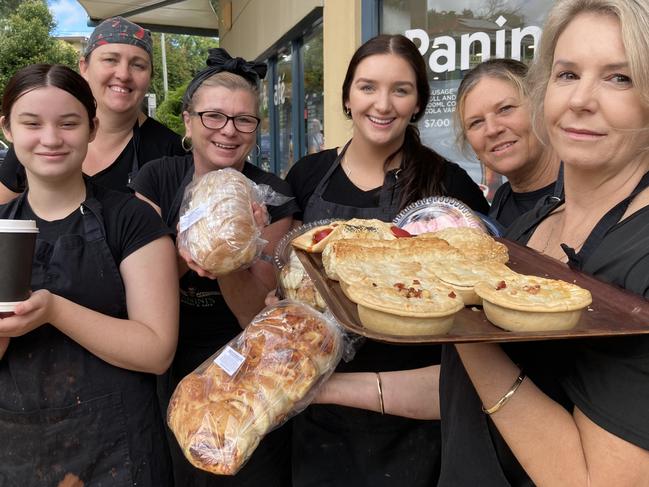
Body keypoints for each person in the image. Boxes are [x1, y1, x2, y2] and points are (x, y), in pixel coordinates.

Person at [284, 34, 488, 487]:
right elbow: (286, 275)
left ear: (418, 103)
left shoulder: (447, 183)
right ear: (347, 96)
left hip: (413, 407)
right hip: (318, 398)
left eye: (401, 89)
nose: (383, 103)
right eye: (368, 87)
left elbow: (478, 290)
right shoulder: (307, 175)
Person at [0, 64, 178, 485]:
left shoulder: (132, 220)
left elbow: (157, 351)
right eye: (31, 123)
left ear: (92, 128)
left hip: (119, 451)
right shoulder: (2, 229)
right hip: (19, 451)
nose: (50, 138)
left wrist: (54, 311)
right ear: (7, 129)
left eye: (68, 123)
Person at [130, 48, 299, 486]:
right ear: (188, 121)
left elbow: (253, 317)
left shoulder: (274, 196)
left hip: (248, 363)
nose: (229, 131)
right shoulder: (157, 178)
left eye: (244, 120)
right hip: (173, 354)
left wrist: (234, 253)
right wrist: (197, 243)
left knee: (251, 470)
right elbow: (146, 289)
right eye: (214, 116)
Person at [0, 16, 184, 202]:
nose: (123, 74)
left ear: (150, 76)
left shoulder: (172, 153)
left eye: (138, 65)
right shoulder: (38, 142)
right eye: (110, 60)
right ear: (84, 67)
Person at [455, 58, 562, 228]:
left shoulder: (591, 193)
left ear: (542, 107)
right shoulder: (499, 205)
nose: (492, 129)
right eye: (476, 122)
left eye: (505, 109)